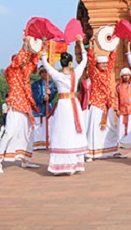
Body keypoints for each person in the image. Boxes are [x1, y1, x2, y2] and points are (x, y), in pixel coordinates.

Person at [41, 36, 89, 176]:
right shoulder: (76, 74)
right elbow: (85, 60)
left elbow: (45, 63)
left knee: (62, 131)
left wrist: (44, 47)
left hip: (63, 106)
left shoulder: (57, 75)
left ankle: (62, 164)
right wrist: (80, 43)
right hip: (73, 104)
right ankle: (74, 163)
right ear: (70, 63)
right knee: (73, 131)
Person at [0, 37, 41, 174]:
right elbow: (20, 60)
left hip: (26, 106)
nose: (23, 62)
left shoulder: (24, 72)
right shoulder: (10, 72)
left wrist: (39, 46)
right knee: (9, 132)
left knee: (28, 134)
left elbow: (33, 62)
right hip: (15, 105)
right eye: (21, 60)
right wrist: (25, 45)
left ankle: (25, 159)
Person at [84, 42, 119, 160]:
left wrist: (114, 46)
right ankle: (91, 153)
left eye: (105, 63)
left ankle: (111, 150)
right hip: (96, 104)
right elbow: (90, 60)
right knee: (94, 129)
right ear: (97, 64)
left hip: (107, 104)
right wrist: (91, 45)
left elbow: (112, 58)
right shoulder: (94, 73)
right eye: (102, 63)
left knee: (110, 128)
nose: (105, 65)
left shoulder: (108, 71)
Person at [31, 66, 58, 150]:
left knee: (49, 125)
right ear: (40, 73)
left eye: (45, 72)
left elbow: (54, 93)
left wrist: (50, 94)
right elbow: (34, 95)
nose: (44, 74)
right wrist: (42, 98)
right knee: (38, 126)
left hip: (48, 108)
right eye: (42, 72)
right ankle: (37, 143)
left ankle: (48, 143)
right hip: (38, 107)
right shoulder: (35, 84)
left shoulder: (51, 84)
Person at [116, 67, 131, 148]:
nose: (126, 77)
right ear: (121, 77)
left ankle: (130, 142)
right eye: (124, 75)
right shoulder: (118, 86)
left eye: (127, 75)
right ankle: (121, 142)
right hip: (122, 110)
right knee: (121, 127)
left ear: (130, 76)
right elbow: (116, 98)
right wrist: (116, 109)